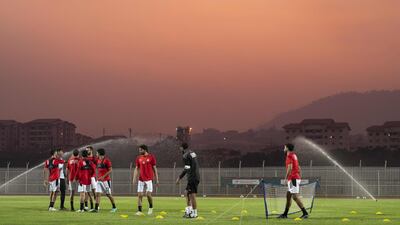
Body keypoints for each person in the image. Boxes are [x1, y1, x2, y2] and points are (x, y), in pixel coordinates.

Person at [278, 143, 309, 219]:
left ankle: (305, 213)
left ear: (287, 148)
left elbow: (290, 168)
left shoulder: (289, 156)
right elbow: (298, 167)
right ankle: (285, 214)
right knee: (288, 196)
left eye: (284, 147)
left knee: (295, 197)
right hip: (295, 178)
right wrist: (300, 176)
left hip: (293, 179)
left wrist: (285, 178)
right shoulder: (294, 155)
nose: (284, 149)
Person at [132, 144, 159, 216]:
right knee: (139, 195)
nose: (139, 151)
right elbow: (136, 168)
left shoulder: (151, 157)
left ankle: (150, 207)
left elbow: (155, 169)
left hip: (149, 179)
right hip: (141, 179)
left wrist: (157, 179)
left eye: (140, 150)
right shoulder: (138, 158)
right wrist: (134, 178)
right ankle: (139, 211)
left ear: (145, 150)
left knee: (148, 194)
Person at [176, 143, 200, 219]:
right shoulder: (192, 152)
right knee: (186, 193)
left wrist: (179, 177)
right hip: (196, 176)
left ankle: (194, 213)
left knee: (192, 195)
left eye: (180, 148)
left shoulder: (185, 155)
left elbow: (187, 168)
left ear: (182, 148)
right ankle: (189, 211)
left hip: (192, 177)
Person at [91, 148, 117, 213]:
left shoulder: (106, 160)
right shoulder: (98, 160)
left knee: (108, 194)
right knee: (97, 194)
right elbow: (92, 160)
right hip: (99, 180)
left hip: (106, 180)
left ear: (99, 153)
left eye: (97, 153)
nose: (96, 154)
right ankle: (96, 208)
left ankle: (114, 207)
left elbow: (110, 170)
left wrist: (103, 176)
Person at [85, 146, 97, 210]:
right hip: (86, 177)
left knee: (94, 192)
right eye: (86, 150)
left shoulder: (94, 158)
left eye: (88, 150)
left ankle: (96, 205)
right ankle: (86, 206)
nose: (87, 151)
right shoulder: (85, 158)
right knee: (86, 192)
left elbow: (96, 166)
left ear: (91, 150)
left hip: (92, 177)